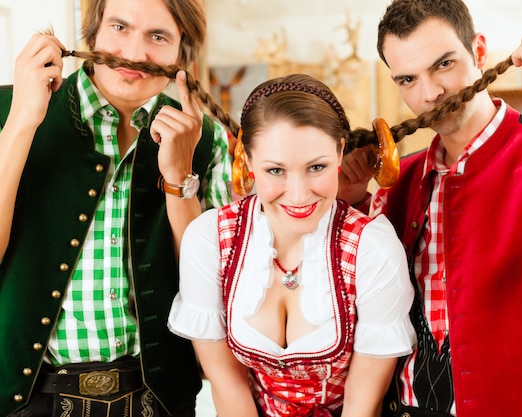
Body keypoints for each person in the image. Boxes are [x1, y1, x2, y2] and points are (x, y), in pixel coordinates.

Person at [337, 0, 522, 416]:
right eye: (407, 79)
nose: (429, 93)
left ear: (480, 52)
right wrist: (351, 203)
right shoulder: (396, 187)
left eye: (444, 64)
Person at [0, 0, 232, 415]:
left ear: (183, 54)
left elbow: (212, 294)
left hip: (158, 400)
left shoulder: (207, 139)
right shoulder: (8, 111)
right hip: (26, 400)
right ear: (91, 34)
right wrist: (20, 122)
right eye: (120, 27)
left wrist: (179, 179)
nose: (134, 54)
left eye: (158, 37)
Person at [167, 73, 417, 417]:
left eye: (317, 167)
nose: (299, 195)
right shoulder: (210, 239)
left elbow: (363, 403)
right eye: (275, 171)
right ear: (248, 161)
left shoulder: (372, 249)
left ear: (340, 151)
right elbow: (228, 384)